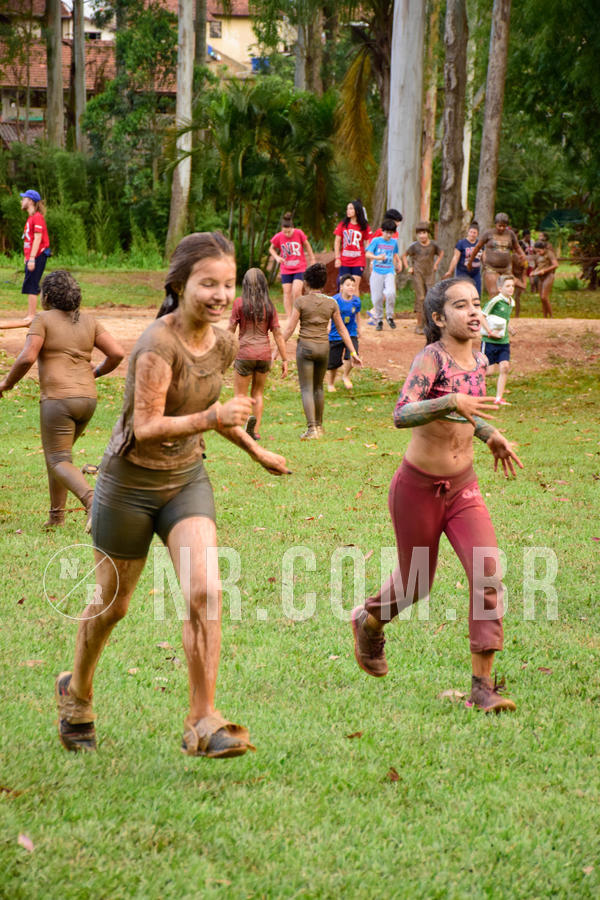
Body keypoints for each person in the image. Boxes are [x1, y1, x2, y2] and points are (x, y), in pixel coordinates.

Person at [54, 232, 290, 756]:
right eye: (209, 283)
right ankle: (77, 692)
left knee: (206, 591)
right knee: (112, 606)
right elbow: (145, 425)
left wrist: (256, 450)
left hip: (185, 480)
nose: (221, 294)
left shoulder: (225, 342)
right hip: (129, 485)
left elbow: (218, 412)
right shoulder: (156, 346)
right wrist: (212, 418)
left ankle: (203, 719)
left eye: (228, 284)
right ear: (180, 285)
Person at [350, 277, 523, 713]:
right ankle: (369, 620)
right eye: (460, 305)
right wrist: (449, 403)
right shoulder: (432, 357)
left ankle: (482, 687)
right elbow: (401, 412)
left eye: (476, 304)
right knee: (415, 584)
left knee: (487, 573)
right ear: (438, 317)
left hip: (463, 486)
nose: (473, 312)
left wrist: (490, 435)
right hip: (417, 488)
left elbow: (469, 413)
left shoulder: (481, 358)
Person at [0, 270, 124, 529]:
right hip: (88, 400)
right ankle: (56, 517)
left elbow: (26, 357)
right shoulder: (89, 321)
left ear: (46, 296)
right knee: (59, 458)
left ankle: (93, 502)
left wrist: (6, 384)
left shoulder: (42, 319)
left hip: (58, 400)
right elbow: (117, 353)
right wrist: (96, 372)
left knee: (57, 459)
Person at [278, 262, 362, 439]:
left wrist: (277, 349)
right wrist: (353, 352)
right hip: (324, 347)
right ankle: (320, 427)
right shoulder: (331, 303)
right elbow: (342, 330)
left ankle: (311, 429)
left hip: (306, 348)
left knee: (307, 388)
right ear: (324, 283)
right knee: (319, 388)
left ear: (306, 283)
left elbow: (289, 329)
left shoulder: (301, 302)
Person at [228, 267, 288, 441]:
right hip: (263, 355)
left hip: (244, 353)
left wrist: (221, 350)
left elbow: (231, 329)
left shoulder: (239, 303)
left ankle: (241, 429)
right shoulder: (269, 306)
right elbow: (277, 334)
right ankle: (255, 431)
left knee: (241, 395)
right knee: (258, 393)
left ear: (245, 284)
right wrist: (284, 359)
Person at [0, 189, 50, 330]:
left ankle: (31, 316)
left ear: (31, 201)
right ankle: (34, 314)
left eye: (24, 199)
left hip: (38, 254)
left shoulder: (37, 217)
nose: (21, 201)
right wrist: (27, 257)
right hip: (32, 256)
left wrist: (33, 258)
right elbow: (29, 239)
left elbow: (38, 238)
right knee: (31, 283)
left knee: (31, 284)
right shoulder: (30, 218)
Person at [467, 213, 526, 298]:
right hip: (491, 269)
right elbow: (477, 247)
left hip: (506, 269)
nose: (502, 228)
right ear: (495, 224)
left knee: (506, 293)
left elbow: (517, 247)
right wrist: (470, 262)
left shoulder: (510, 234)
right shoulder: (488, 233)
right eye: (499, 226)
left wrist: (522, 255)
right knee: (494, 293)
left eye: (504, 226)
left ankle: (503, 309)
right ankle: (492, 310)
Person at [268, 212, 315, 318]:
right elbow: (271, 249)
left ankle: (298, 314)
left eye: (289, 232)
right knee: (287, 292)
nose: (287, 234)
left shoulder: (299, 233)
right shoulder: (279, 236)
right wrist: (276, 257)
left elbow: (307, 245)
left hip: (299, 267)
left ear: (292, 228)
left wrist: (312, 259)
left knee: (297, 291)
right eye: (285, 232)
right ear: (282, 229)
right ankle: (290, 317)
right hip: (286, 269)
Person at [480, 274, 516, 406]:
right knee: (488, 371)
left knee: (505, 367)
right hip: (489, 341)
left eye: (512, 286)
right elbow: (482, 316)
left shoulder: (511, 302)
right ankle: (475, 392)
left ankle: (498, 398)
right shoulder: (495, 301)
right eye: (508, 286)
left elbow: (504, 318)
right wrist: (490, 332)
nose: (511, 288)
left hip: (503, 341)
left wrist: (509, 327)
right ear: (500, 288)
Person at [402, 221, 443, 334]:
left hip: (429, 274)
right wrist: (408, 267)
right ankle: (419, 325)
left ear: (428, 233)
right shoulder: (414, 246)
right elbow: (404, 255)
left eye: (424, 233)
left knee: (430, 297)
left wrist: (436, 264)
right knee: (420, 298)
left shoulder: (433, 245)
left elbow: (441, 253)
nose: (422, 236)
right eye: (419, 233)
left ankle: (430, 324)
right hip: (418, 274)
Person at [326, 273, 361, 392]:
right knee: (334, 363)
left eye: (353, 285)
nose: (351, 287)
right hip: (335, 334)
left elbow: (357, 314)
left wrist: (359, 328)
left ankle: (345, 375)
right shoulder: (334, 300)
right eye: (348, 285)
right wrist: (328, 325)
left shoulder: (356, 301)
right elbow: (329, 315)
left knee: (352, 355)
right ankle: (330, 383)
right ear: (341, 287)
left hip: (351, 333)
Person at [366, 219, 402, 330]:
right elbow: (368, 254)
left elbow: (394, 254)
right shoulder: (376, 241)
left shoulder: (394, 242)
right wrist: (377, 258)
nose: (388, 235)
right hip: (377, 271)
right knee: (377, 298)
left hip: (389, 271)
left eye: (391, 233)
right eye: (386, 232)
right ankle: (379, 319)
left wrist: (398, 263)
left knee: (391, 293)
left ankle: (389, 316)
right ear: (382, 231)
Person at [333, 200, 372, 297]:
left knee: (354, 287)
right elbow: (337, 241)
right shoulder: (343, 224)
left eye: (351, 208)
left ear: (357, 211)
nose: (348, 211)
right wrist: (337, 258)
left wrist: (371, 260)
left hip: (358, 260)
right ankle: (341, 310)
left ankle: (355, 311)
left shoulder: (364, 226)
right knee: (343, 287)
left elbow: (368, 243)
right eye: (347, 209)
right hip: (345, 260)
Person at [443, 221, 482, 296]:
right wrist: (450, 271)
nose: (472, 234)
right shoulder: (461, 243)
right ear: (468, 232)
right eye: (471, 232)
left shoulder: (480, 244)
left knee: (477, 293)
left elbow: (484, 257)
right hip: (463, 271)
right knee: (462, 292)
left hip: (475, 272)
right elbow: (455, 257)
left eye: (474, 233)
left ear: (477, 234)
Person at [531, 240, 558, 318]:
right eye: (536, 251)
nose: (538, 253)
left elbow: (556, 264)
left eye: (539, 251)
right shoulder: (537, 255)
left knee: (544, 297)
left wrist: (545, 270)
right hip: (540, 277)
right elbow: (536, 266)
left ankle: (551, 316)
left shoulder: (549, 254)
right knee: (542, 299)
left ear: (544, 248)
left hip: (549, 275)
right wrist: (533, 272)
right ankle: (545, 317)